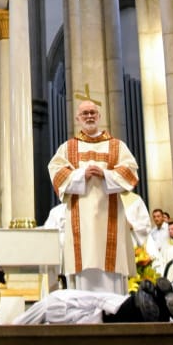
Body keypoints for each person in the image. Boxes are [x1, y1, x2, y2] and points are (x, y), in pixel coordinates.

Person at [45, 99, 141, 293]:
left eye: (92, 113)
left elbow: (131, 172)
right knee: (84, 264)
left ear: (99, 116)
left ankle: (113, 310)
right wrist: (81, 175)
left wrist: (106, 174)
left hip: (110, 217)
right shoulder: (68, 148)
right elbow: (56, 172)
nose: (89, 116)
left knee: (111, 266)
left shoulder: (116, 146)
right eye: (85, 113)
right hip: (80, 219)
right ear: (78, 118)